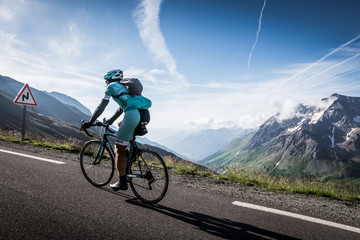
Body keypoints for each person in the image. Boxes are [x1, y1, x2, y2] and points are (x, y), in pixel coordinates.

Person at [81, 69, 151, 191]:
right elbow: (121, 107)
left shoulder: (111, 87)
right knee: (120, 125)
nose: (105, 83)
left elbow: (101, 106)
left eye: (105, 81)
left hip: (132, 115)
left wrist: (90, 122)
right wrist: (111, 121)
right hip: (143, 114)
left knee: (118, 149)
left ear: (108, 80)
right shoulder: (124, 87)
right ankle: (131, 154)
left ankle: (122, 182)